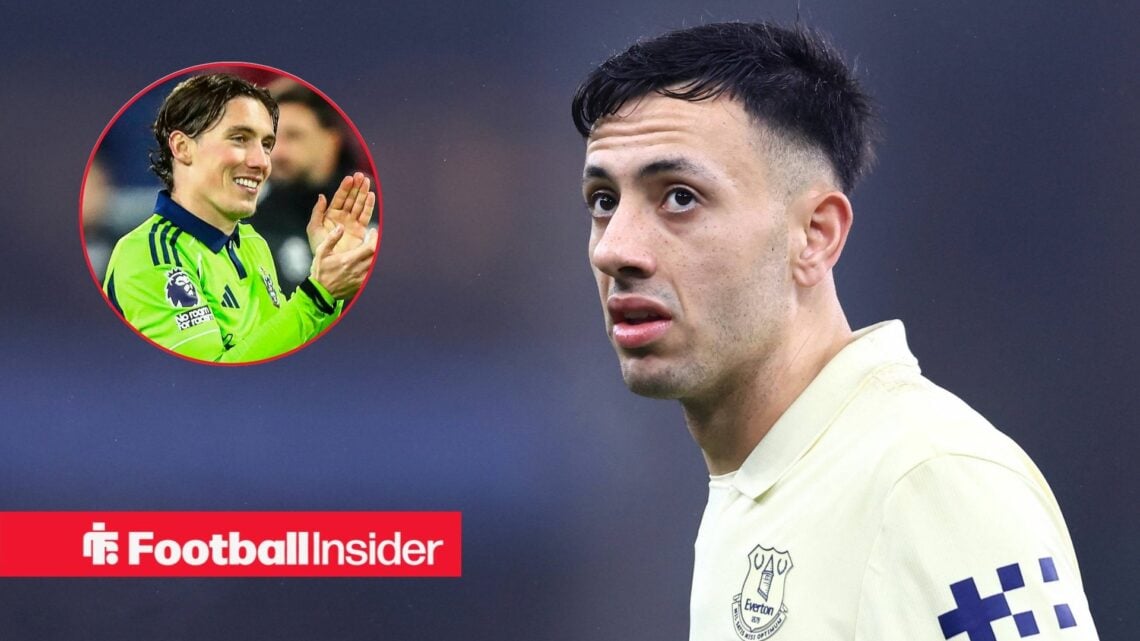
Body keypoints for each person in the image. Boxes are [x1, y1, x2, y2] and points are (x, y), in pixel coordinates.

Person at [571, 22, 1098, 641]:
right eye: (604, 200)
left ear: (816, 236)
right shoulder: (764, 482)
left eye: (680, 197)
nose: (616, 249)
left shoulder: (930, 477)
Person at [103, 73, 377, 363]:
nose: (262, 162)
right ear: (183, 147)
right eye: (239, 139)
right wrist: (318, 295)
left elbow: (281, 346)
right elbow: (209, 382)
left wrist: (331, 284)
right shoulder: (151, 256)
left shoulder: (250, 240)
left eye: (266, 145)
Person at [256, 82, 366, 291]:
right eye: (271, 140)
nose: (277, 153)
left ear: (332, 140)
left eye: (294, 136)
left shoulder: (373, 207)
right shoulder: (249, 220)